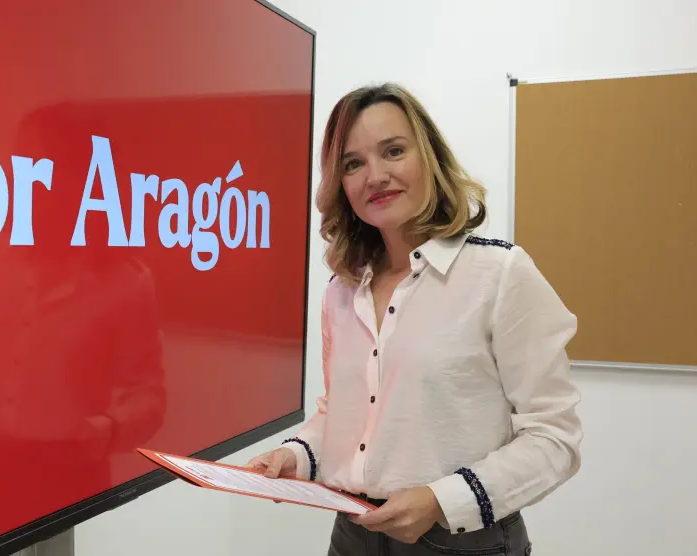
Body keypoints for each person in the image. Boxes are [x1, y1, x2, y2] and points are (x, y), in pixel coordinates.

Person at [245, 83, 582, 555]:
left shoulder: (500, 273)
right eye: (353, 163)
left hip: (462, 541)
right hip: (352, 533)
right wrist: (295, 456)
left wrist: (442, 501)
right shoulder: (342, 291)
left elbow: (554, 438)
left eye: (394, 151)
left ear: (430, 158)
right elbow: (344, 416)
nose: (375, 176)